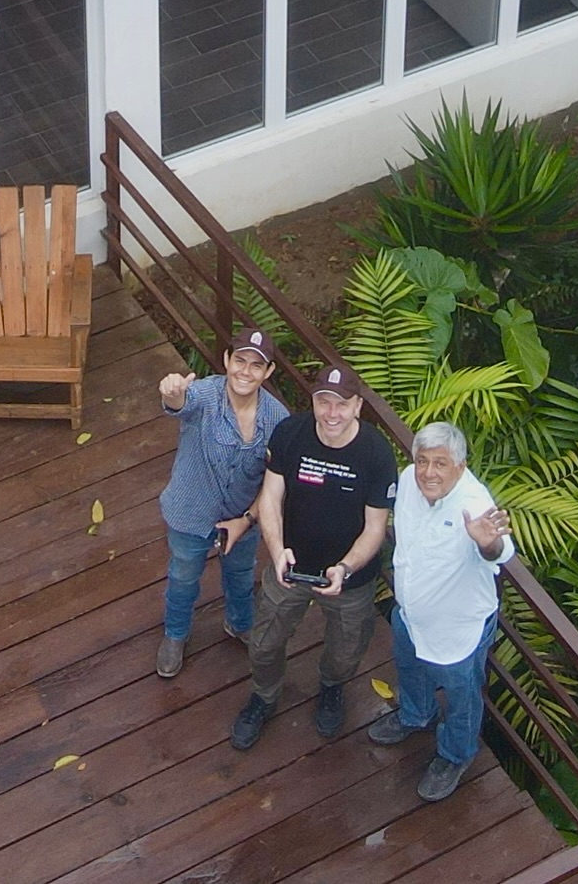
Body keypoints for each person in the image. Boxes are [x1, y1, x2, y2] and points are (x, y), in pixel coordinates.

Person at [230, 362, 397, 751]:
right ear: (313, 401)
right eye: (324, 402)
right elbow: (271, 497)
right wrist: (276, 551)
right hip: (290, 564)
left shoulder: (376, 453)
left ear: (358, 406)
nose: (331, 413)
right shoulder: (292, 433)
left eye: (341, 404)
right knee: (265, 643)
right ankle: (264, 695)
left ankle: (331, 687)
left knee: (346, 649)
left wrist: (345, 567)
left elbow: (376, 527)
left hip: (349, 579)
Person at [369, 421, 513, 801]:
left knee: (462, 692)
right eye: (422, 461)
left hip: (458, 627)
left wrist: (488, 545)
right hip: (411, 613)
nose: (428, 472)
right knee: (408, 666)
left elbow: (501, 551)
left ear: (461, 467)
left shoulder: (475, 504)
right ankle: (415, 715)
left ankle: (456, 754)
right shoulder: (408, 482)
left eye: (440, 463)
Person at [156, 328, 290, 679]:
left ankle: (240, 624)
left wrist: (246, 519)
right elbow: (181, 404)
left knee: (241, 575)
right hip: (190, 512)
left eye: (256, 365)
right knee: (183, 576)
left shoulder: (278, 419)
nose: (246, 371)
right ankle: (175, 634)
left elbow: (276, 481)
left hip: (243, 517)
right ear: (227, 361)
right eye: (240, 361)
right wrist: (173, 394)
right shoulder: (205, 394)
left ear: (268, 372)